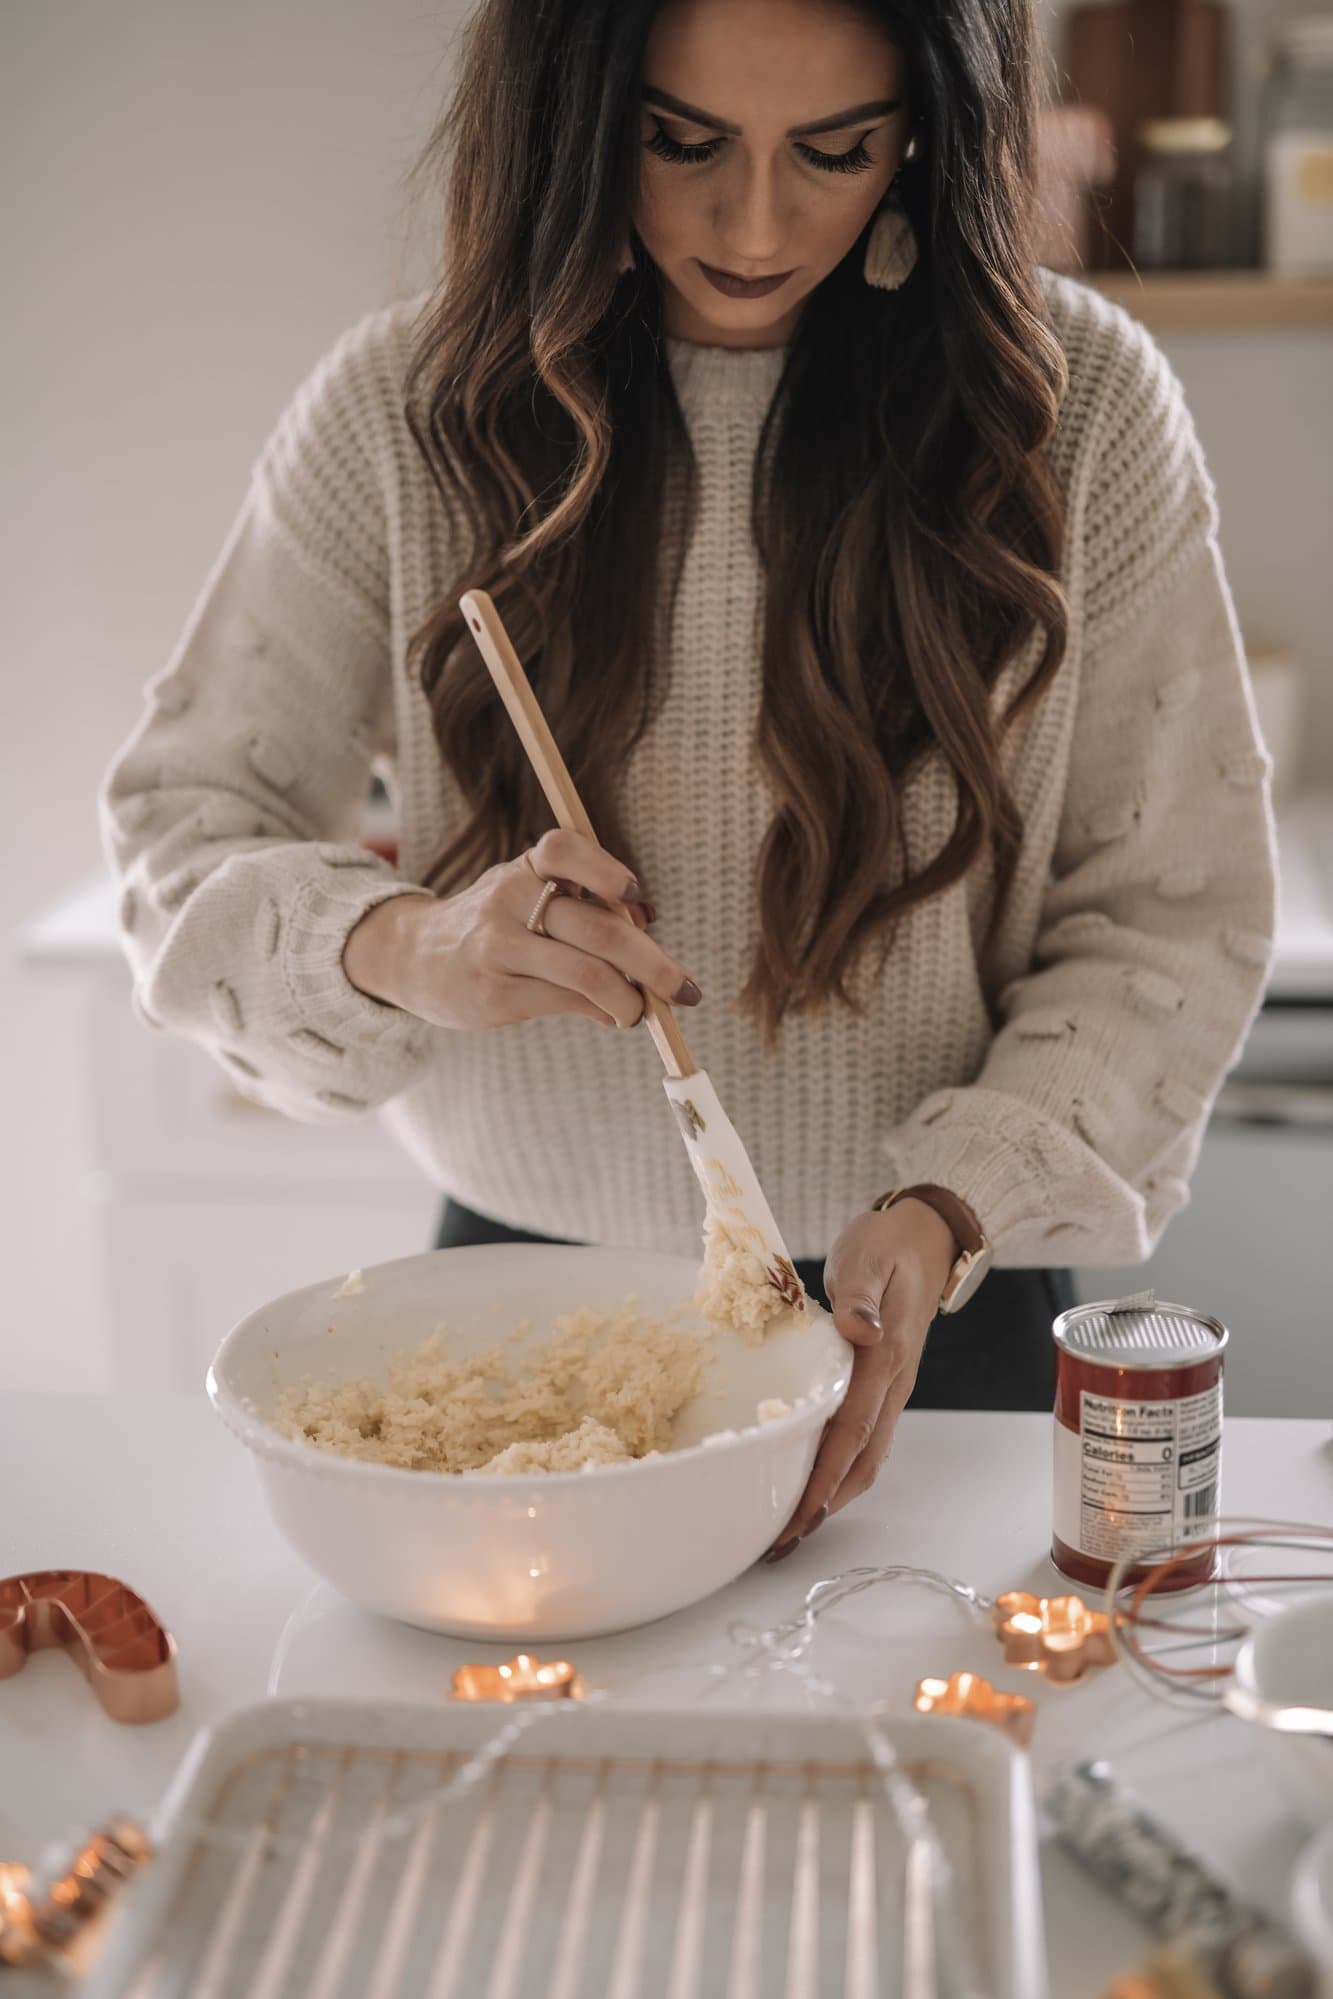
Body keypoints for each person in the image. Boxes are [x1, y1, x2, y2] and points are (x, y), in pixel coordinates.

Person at [101, 0, 1276, 1561]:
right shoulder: (402, 415)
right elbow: (181, 832)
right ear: (573, 121)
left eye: (836, 150)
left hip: (937, 1309)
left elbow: (1172, 916)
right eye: (681, 142)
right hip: (518, 1306)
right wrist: (410, 950)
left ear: (921, 129)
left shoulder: (1078, 413)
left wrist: (950, 1203)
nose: (755, 222)